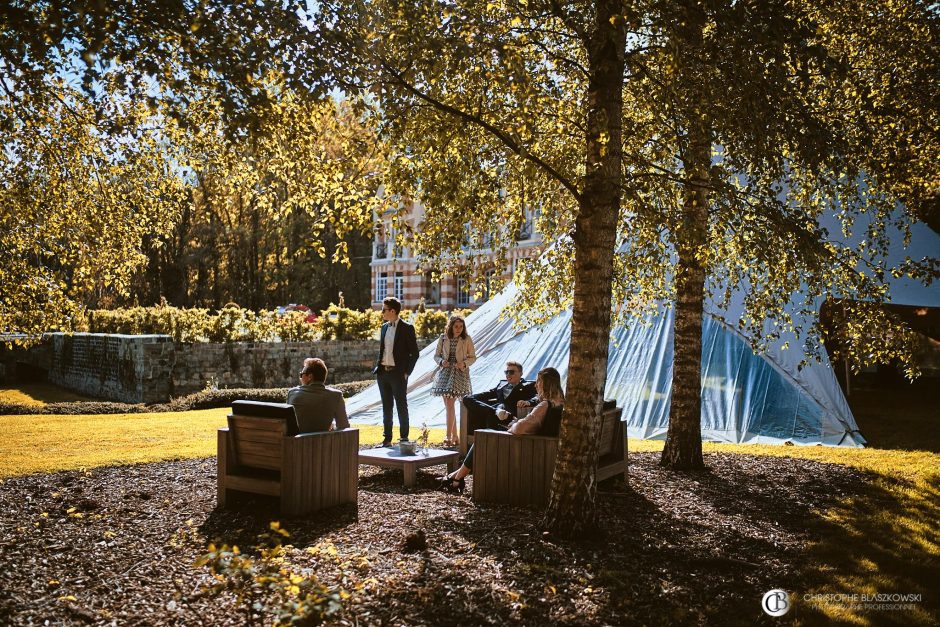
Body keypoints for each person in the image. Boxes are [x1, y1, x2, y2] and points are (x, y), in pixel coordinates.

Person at [441, 367, 565, 492]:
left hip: (527, 445)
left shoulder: (545, 404)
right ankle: (456, 476)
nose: (536, 385)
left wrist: (514, 425)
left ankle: (456, 479)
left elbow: (521, 428)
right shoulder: (560, 402)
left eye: (539, 381)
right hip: (538, 443)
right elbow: (533, 423)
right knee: (486, 434)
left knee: (482, 438)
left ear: (545, 384)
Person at [373, 296, 420, 447]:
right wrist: (378, 368)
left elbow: (415, 353)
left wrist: (407, 372)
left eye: (384, 310)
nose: (382, 313)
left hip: (398, 374)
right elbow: (383, 350)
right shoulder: (384, 327)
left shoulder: (407, 328)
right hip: (383, 373)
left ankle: (404, 439)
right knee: (387, 407)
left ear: (392, 311)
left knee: (401, 405)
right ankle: (387, 439)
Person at [430, 315, 476, 448]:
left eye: (461, 326)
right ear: (451, 326)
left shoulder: (466, 339)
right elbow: (436, 355)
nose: (459, 329)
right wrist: (441, 362)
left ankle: (448, 436)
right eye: (456, 326)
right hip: (445, 373)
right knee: (449, 406)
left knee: (450, 404)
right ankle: (455, 436)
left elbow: (473, 357)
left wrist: (464, 364)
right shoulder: (443, 338)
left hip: (459, 373)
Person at [462, 361, 536, 435]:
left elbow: (537, 397)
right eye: (506, 372)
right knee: (466, 398)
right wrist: (470, 397)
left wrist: (528, 402)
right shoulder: (502, 384)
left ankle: (496, 414)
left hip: (510, 416)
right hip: (497, 413)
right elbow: (487, 394)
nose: (508, 375)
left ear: (521, 373)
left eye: (511, 372)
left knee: (499, 407)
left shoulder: (528, 385)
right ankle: (495, 411)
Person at [286, 358, 350, 433]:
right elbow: (343, 426)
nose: (300, 378)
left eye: (301, 375)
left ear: (310, 377)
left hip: (297, 443)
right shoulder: (336, 396)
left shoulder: (293, 393)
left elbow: (287, 424)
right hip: (323, 443)